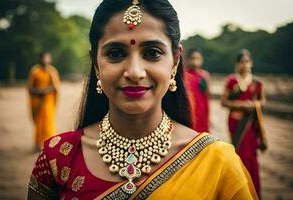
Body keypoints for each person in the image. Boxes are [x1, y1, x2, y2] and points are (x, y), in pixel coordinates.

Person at [28, 1, 258, 199]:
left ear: (175, 61)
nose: (135, 72)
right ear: (96, 64)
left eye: (153, 53)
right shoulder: (57, 158)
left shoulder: (218, 163)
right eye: (116, 53)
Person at [221, 49, 267, 199]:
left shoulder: (257, 83)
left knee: (251, 157)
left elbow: (262, 101)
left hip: (251, 124)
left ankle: (253, 192)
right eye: (241, 61)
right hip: (236, 122)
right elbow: (224, 102)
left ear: (251, 63)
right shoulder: (232, 81)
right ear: (237, 64)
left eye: (247, 61)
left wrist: (254, 104)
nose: (244, 64)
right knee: (239, 155)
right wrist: (241, 105)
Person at [28, 52, 60, 150]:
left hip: (48, 101)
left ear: (50, 60)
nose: (45, 60)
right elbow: (30, 87)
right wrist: (38, 91)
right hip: (37, 102)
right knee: (38, 123)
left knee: (48, 122)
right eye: (43, 58)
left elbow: (55, 87)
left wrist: (45, 91)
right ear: (40, 59)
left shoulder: (52, 71)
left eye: (47, 58)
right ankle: (37, 143)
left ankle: (49, 144)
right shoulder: (35, 71)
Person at [184, 48, 210, 132]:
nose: (195, 61)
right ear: (186, 60)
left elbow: (207, 98)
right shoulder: (184, 75)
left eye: (197, 59)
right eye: (192, 58)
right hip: (190, 114)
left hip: (202, 114)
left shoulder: (205, 76)